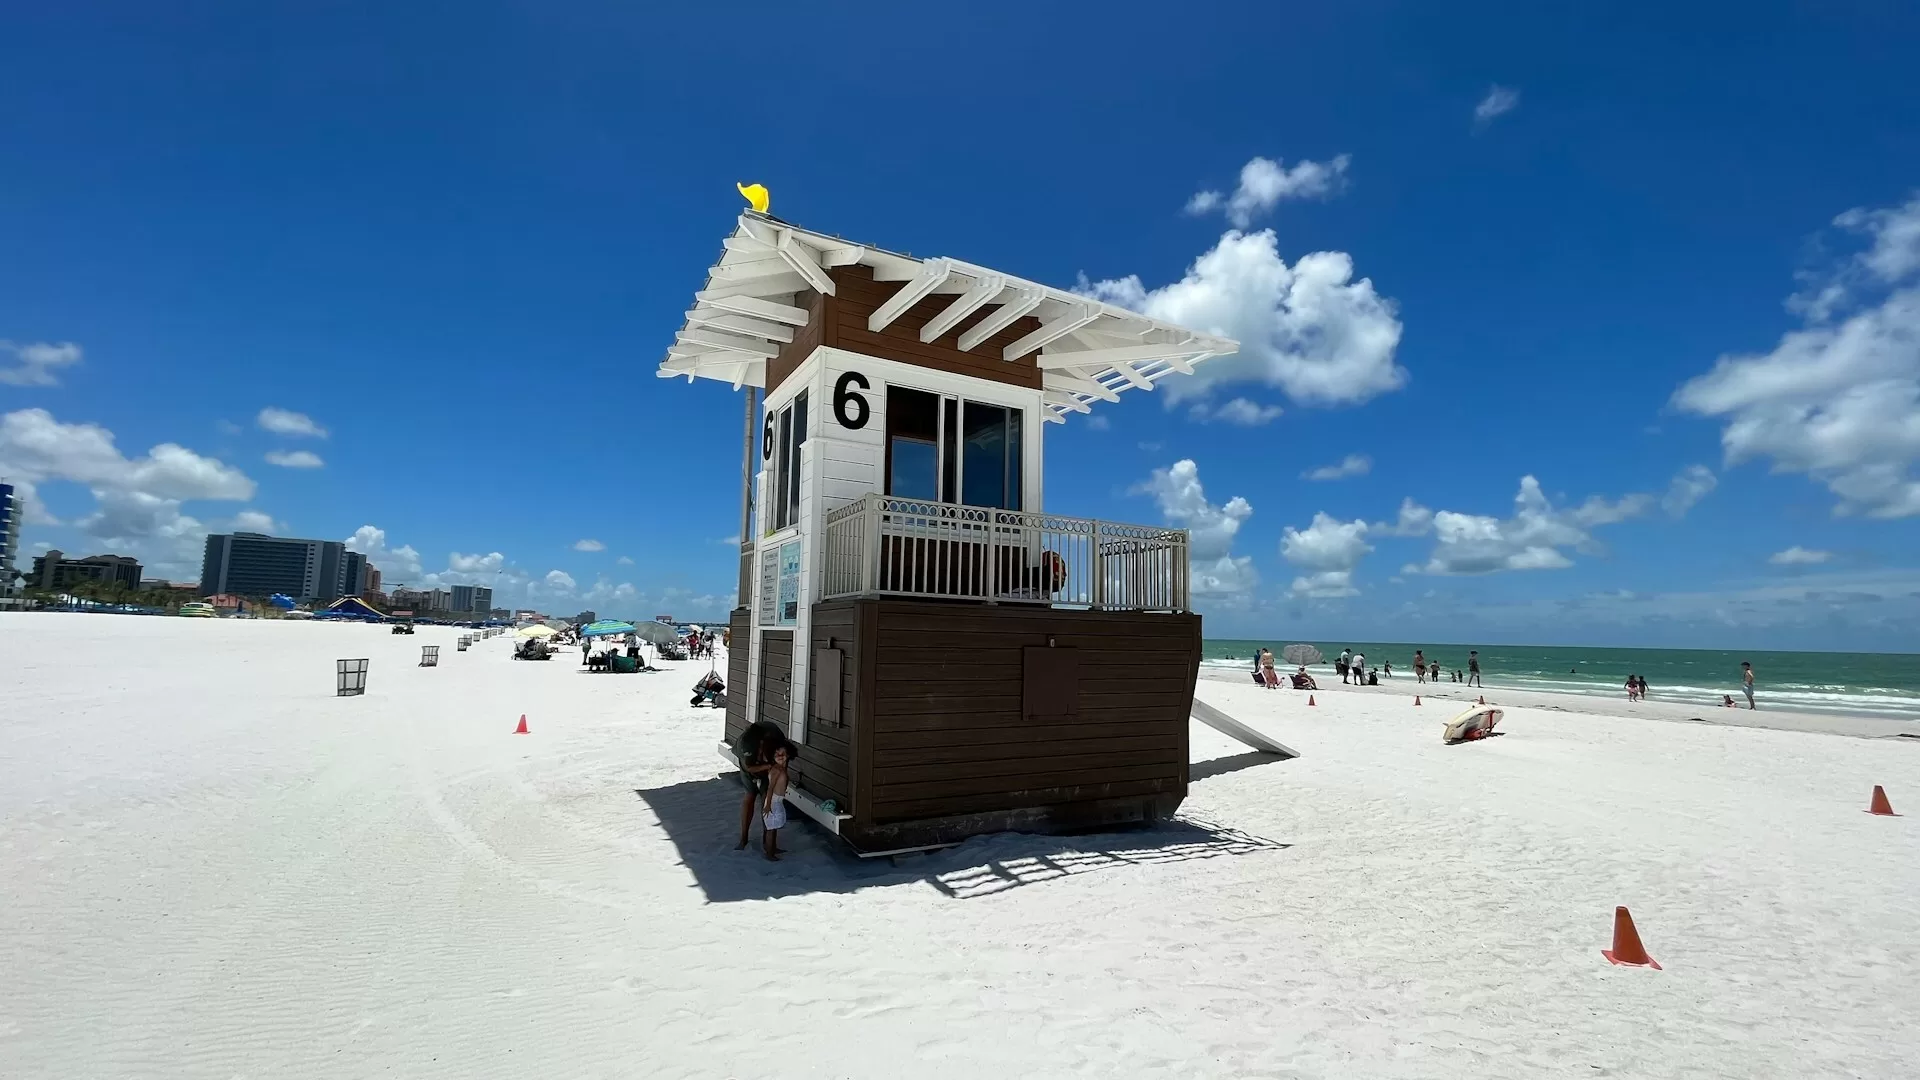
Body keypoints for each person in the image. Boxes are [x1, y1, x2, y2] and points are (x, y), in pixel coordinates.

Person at [735, 720, 791, 850]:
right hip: (752, 767)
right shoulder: (746, 743)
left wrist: (780, 783)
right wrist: (767, 765)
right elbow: (749, 767)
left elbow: (783, 764)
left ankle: (769, 845)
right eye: (759, 749)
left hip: (771, 767)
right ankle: (743, 839)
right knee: (750, 795)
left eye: (763, 749)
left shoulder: (778, 742)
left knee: (768, 801)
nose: (760, 751)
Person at [762, 744, 791, 861]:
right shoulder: (777, 770)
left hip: (777, 800)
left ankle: (773, 848)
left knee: (774, 827)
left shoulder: (782, 768)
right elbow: (770, 788)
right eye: (776, 755)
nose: (780, 757)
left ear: (788, 755)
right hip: (773, 801)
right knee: (771, 828)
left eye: (782, 754)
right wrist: (768, 805)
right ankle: (769, 853)